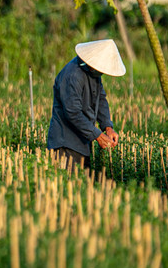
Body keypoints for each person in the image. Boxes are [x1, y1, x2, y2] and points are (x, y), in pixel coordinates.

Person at [46, 39, 124, 170]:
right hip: (66, 145)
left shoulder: (94, 73)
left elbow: (101, 98)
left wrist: (107, 127)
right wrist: (97, 135)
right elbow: (73, 112)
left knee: (83, 185)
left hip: (82, 144)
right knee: (70, 186)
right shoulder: (73, 75)